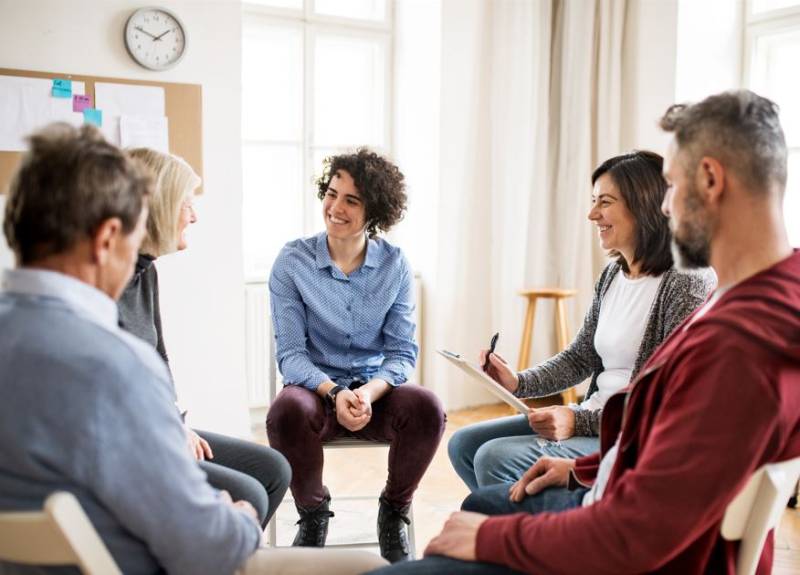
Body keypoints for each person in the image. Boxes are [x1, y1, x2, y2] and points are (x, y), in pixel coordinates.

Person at [369, 90, 800, 574]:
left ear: (710, 180)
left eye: (673, 187)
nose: (668, 207)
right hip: (609, 495)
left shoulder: (737, 345)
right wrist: (579, 469)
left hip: (629, 548)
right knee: (479, 502)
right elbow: (670, 455)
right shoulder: (757, 300)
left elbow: (638, 533)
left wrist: (495, 538)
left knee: (466, 524)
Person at [0, 123, 388, 575]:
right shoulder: (113, 366)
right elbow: (206, 545)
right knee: (367, 566)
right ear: (107, 239)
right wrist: (240, 521)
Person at [449, 150, 715, 492]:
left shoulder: (686, 281)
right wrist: (517, 382)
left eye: (604, 202)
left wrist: (577, 420)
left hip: (630, 434)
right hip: (593, 416)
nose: (592, 214)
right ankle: (537, 524)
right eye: (593, 201)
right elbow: (580, 357)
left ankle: (546, 532)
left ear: (644, 205)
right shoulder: (613, 274)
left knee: (493, 459)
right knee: (464, 446)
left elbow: (664, 401)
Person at [267, 148, 446, 563]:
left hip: (374, 398)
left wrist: (368, 393)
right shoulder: (293, 261)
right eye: (332, 193)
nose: (336, 208)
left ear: (376, 210)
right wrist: (333, 393)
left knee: (427, 407)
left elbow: (402, 353)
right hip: (316, 394)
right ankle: (313, 515)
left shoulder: (395, 265)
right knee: (285, 411)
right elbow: (291, 355)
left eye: (352, 200)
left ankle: (394, 511)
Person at [117, 147, 291, 529]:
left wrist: (177, 423)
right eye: (186, 203)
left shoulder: (145, 273)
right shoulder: (106, 281)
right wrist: (168, 430)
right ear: (159, 205)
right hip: (133, 442)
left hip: (159, 426)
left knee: (274, 469)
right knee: (250, 494)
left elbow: (158, 362)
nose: (193, 215)